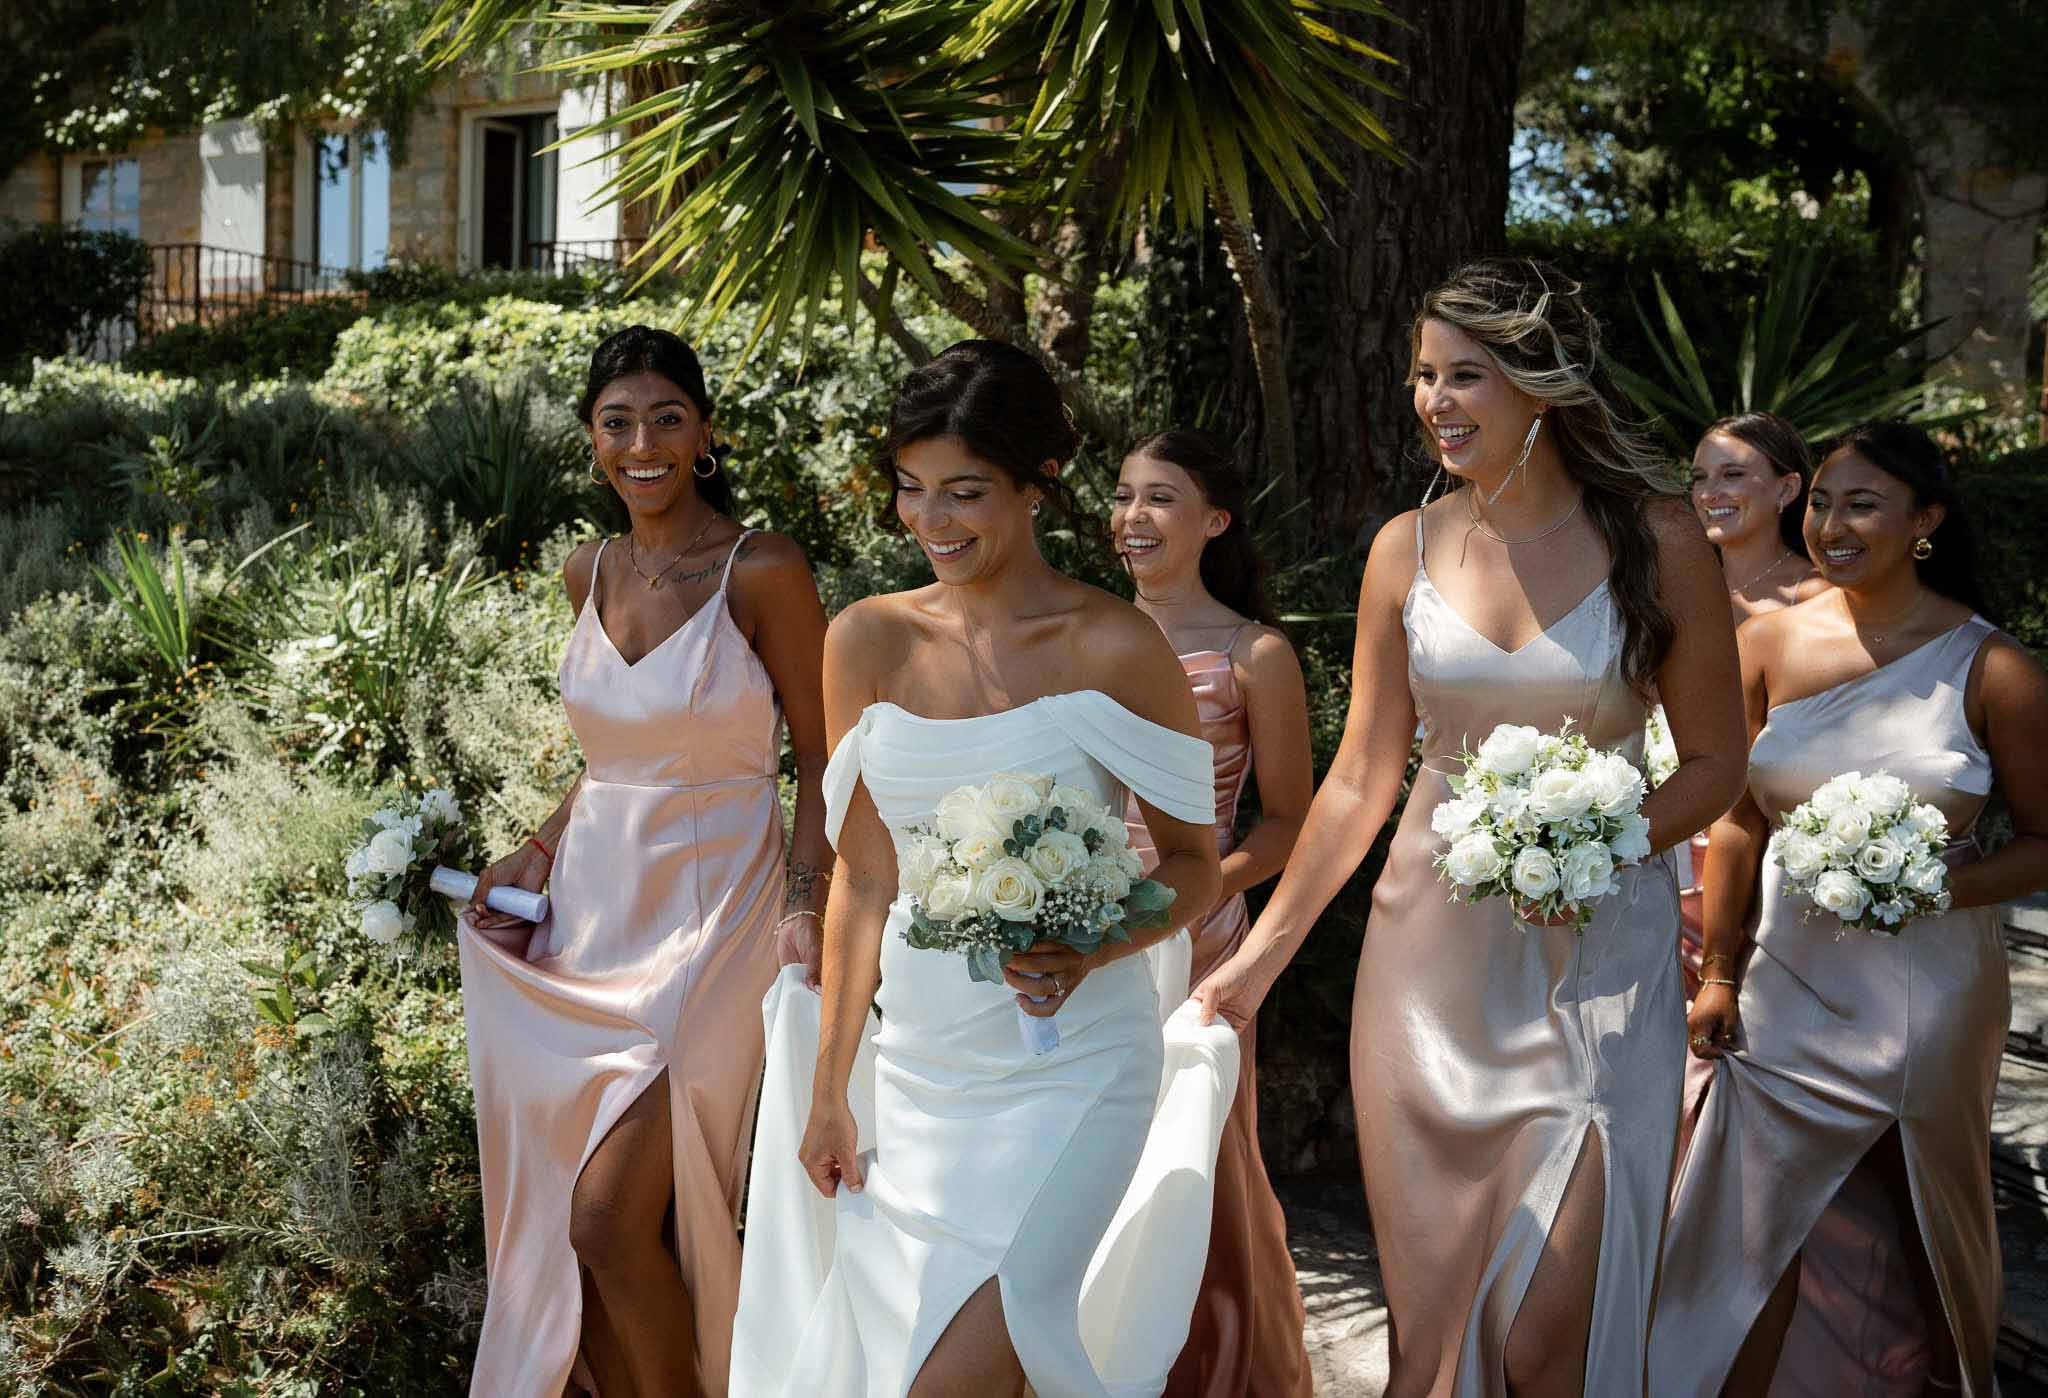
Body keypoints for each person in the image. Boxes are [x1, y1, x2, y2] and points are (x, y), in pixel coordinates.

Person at [1192, 259, 1747, 1395]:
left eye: (1464, 377)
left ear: (1537, 387)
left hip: (1595, 964)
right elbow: (1357, 781)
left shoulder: (1658, 537)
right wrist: (1256, 961)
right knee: (1431, 1333)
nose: (1433, 401)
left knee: (1547, 1336)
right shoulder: (1404, 545)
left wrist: (1602, 845)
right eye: (1420, 377)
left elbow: (1712, 762)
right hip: (1424, 969)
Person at [730, 340, 1235, 1398]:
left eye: (964, 492)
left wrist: (1102, 944)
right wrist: (829, 1091)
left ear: (1037, 484)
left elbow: (1195, 867)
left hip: (1074, 1068)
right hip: (916, 1076)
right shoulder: (864, 640)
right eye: (911, 491)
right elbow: (863, 883)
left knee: (990, 1343)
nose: (932, 522)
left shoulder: (1114, 646)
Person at [457, 325, 831, 1397]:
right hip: (590, 917)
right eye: (617, 423)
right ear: (591, 443)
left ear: (704, 434)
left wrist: (805, 909)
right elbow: (616, 756)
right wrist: (535, 844)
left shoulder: (761, 569)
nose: (643, 443)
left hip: (716, 923)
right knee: (587, 1231)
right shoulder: (589, 570)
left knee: (608, 1214)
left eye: (667, 418)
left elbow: (822, 758)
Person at [1655, 421, 2048, 1396]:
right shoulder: (1767, 641)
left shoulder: (1993, 668)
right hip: (1785, 986)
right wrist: (1715, 972)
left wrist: (1921, 885)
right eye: (1821, 500)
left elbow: (2041, 841)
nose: (1830, 523)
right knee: (1745, 1227)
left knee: (1925, 1217)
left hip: (1928, 997)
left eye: (1860, 503)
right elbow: (1740, 825)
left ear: (1924, 521)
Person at [1110, 429, 1315, 1398]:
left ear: (1213, 520)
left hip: (1199, 944)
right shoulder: (1082, 634)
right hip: (1080, 941)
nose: (1130, 519)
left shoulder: (1254, 653)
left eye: (1157, 498)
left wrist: (1193, 890)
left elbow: (1288, 826)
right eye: (1121, 497)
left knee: (1194, 1174)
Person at [1676, 412, 1829, 984]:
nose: (1711, 493)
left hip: (1771, 854)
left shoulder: (1821, 601)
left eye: (1733, 475)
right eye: (1699, 478)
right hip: (1664, 841)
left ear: (1788, 489)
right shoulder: (1671, 592)